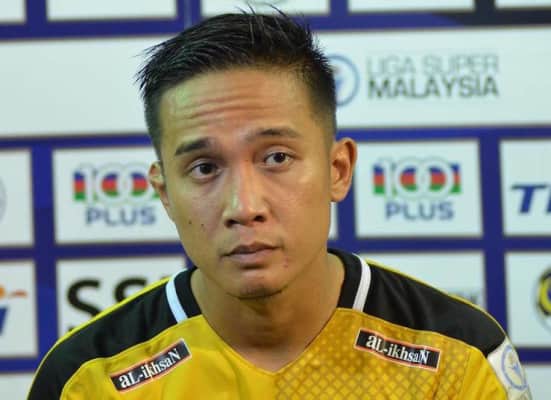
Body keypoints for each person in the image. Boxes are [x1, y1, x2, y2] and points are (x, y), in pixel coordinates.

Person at [28, 11, 531, 399]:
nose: (244, 206)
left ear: (338, 169)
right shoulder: (89, 378)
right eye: (204, 167)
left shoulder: (457, 355)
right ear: (163, 192)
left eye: (276, 158)